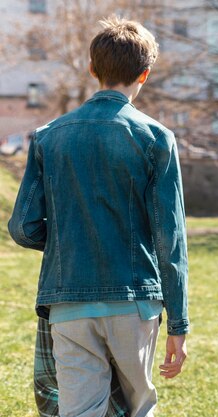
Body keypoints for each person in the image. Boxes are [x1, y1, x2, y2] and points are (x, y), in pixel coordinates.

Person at [8, 16, 189, 417]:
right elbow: (169, 238)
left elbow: (21, 228)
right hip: (135, 301)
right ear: (145, 73)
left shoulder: (47, 135)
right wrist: (179, 323)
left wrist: (68, 240)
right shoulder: (157, 138)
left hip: (68, 299)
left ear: (92, 69)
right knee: (137, 409)